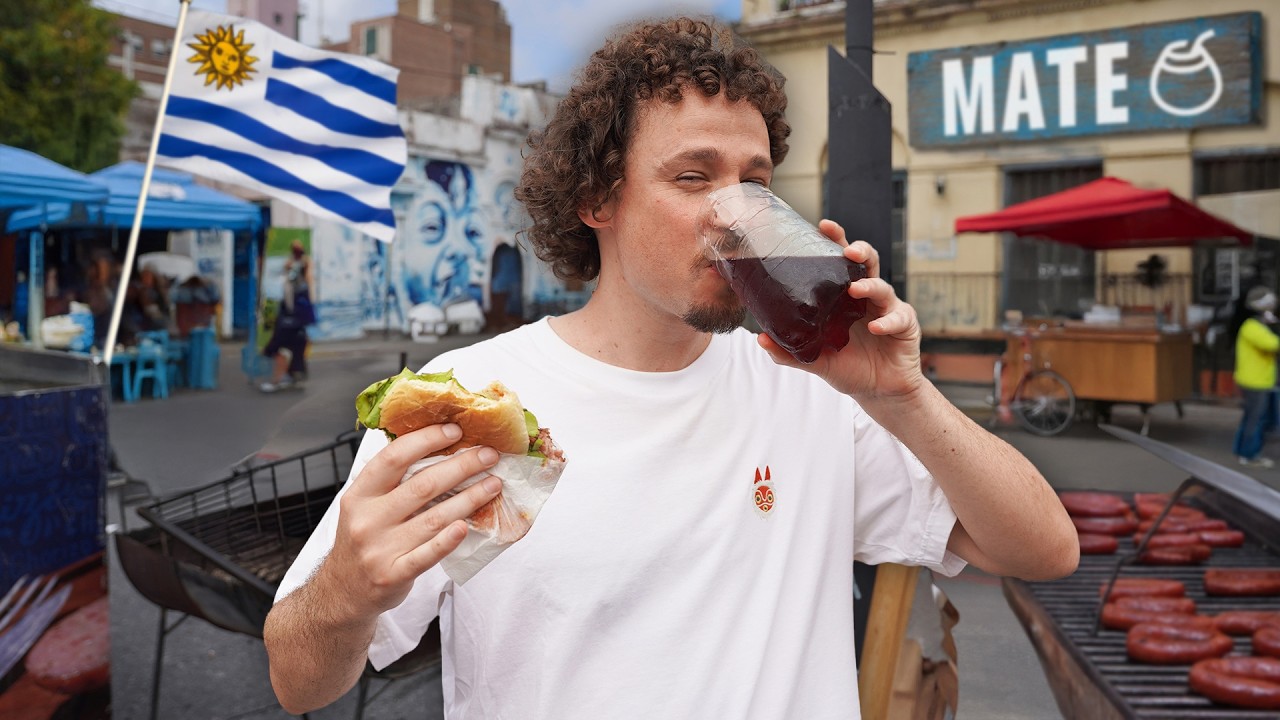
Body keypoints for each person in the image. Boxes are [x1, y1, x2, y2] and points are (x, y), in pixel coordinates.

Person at [263, 18, 1077, 718]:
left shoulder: (815, 392)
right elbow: (299, 682)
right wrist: (346, 592)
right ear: (597, 199)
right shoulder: (476, 400)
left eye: (755, 183)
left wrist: (904, 395)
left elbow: (1044, 551)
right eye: (693, 178)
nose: (735, 214)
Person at [1232, 285, 1279, 467]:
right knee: (1256, 419)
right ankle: (1250, 455)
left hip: (1258, 380)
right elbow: (1273, 344)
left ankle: (1241, 451)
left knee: (1250, 417)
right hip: (1255, 382)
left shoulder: (1257, 325)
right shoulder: (1252, 327)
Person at [259, 239, 315, 393]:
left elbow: (307, 283)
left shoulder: (303, 271)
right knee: (292, 346)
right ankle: (291, 376)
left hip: (293, 317)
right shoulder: (292, 271)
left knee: (284, 347)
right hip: (292, 317)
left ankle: (281, 379)